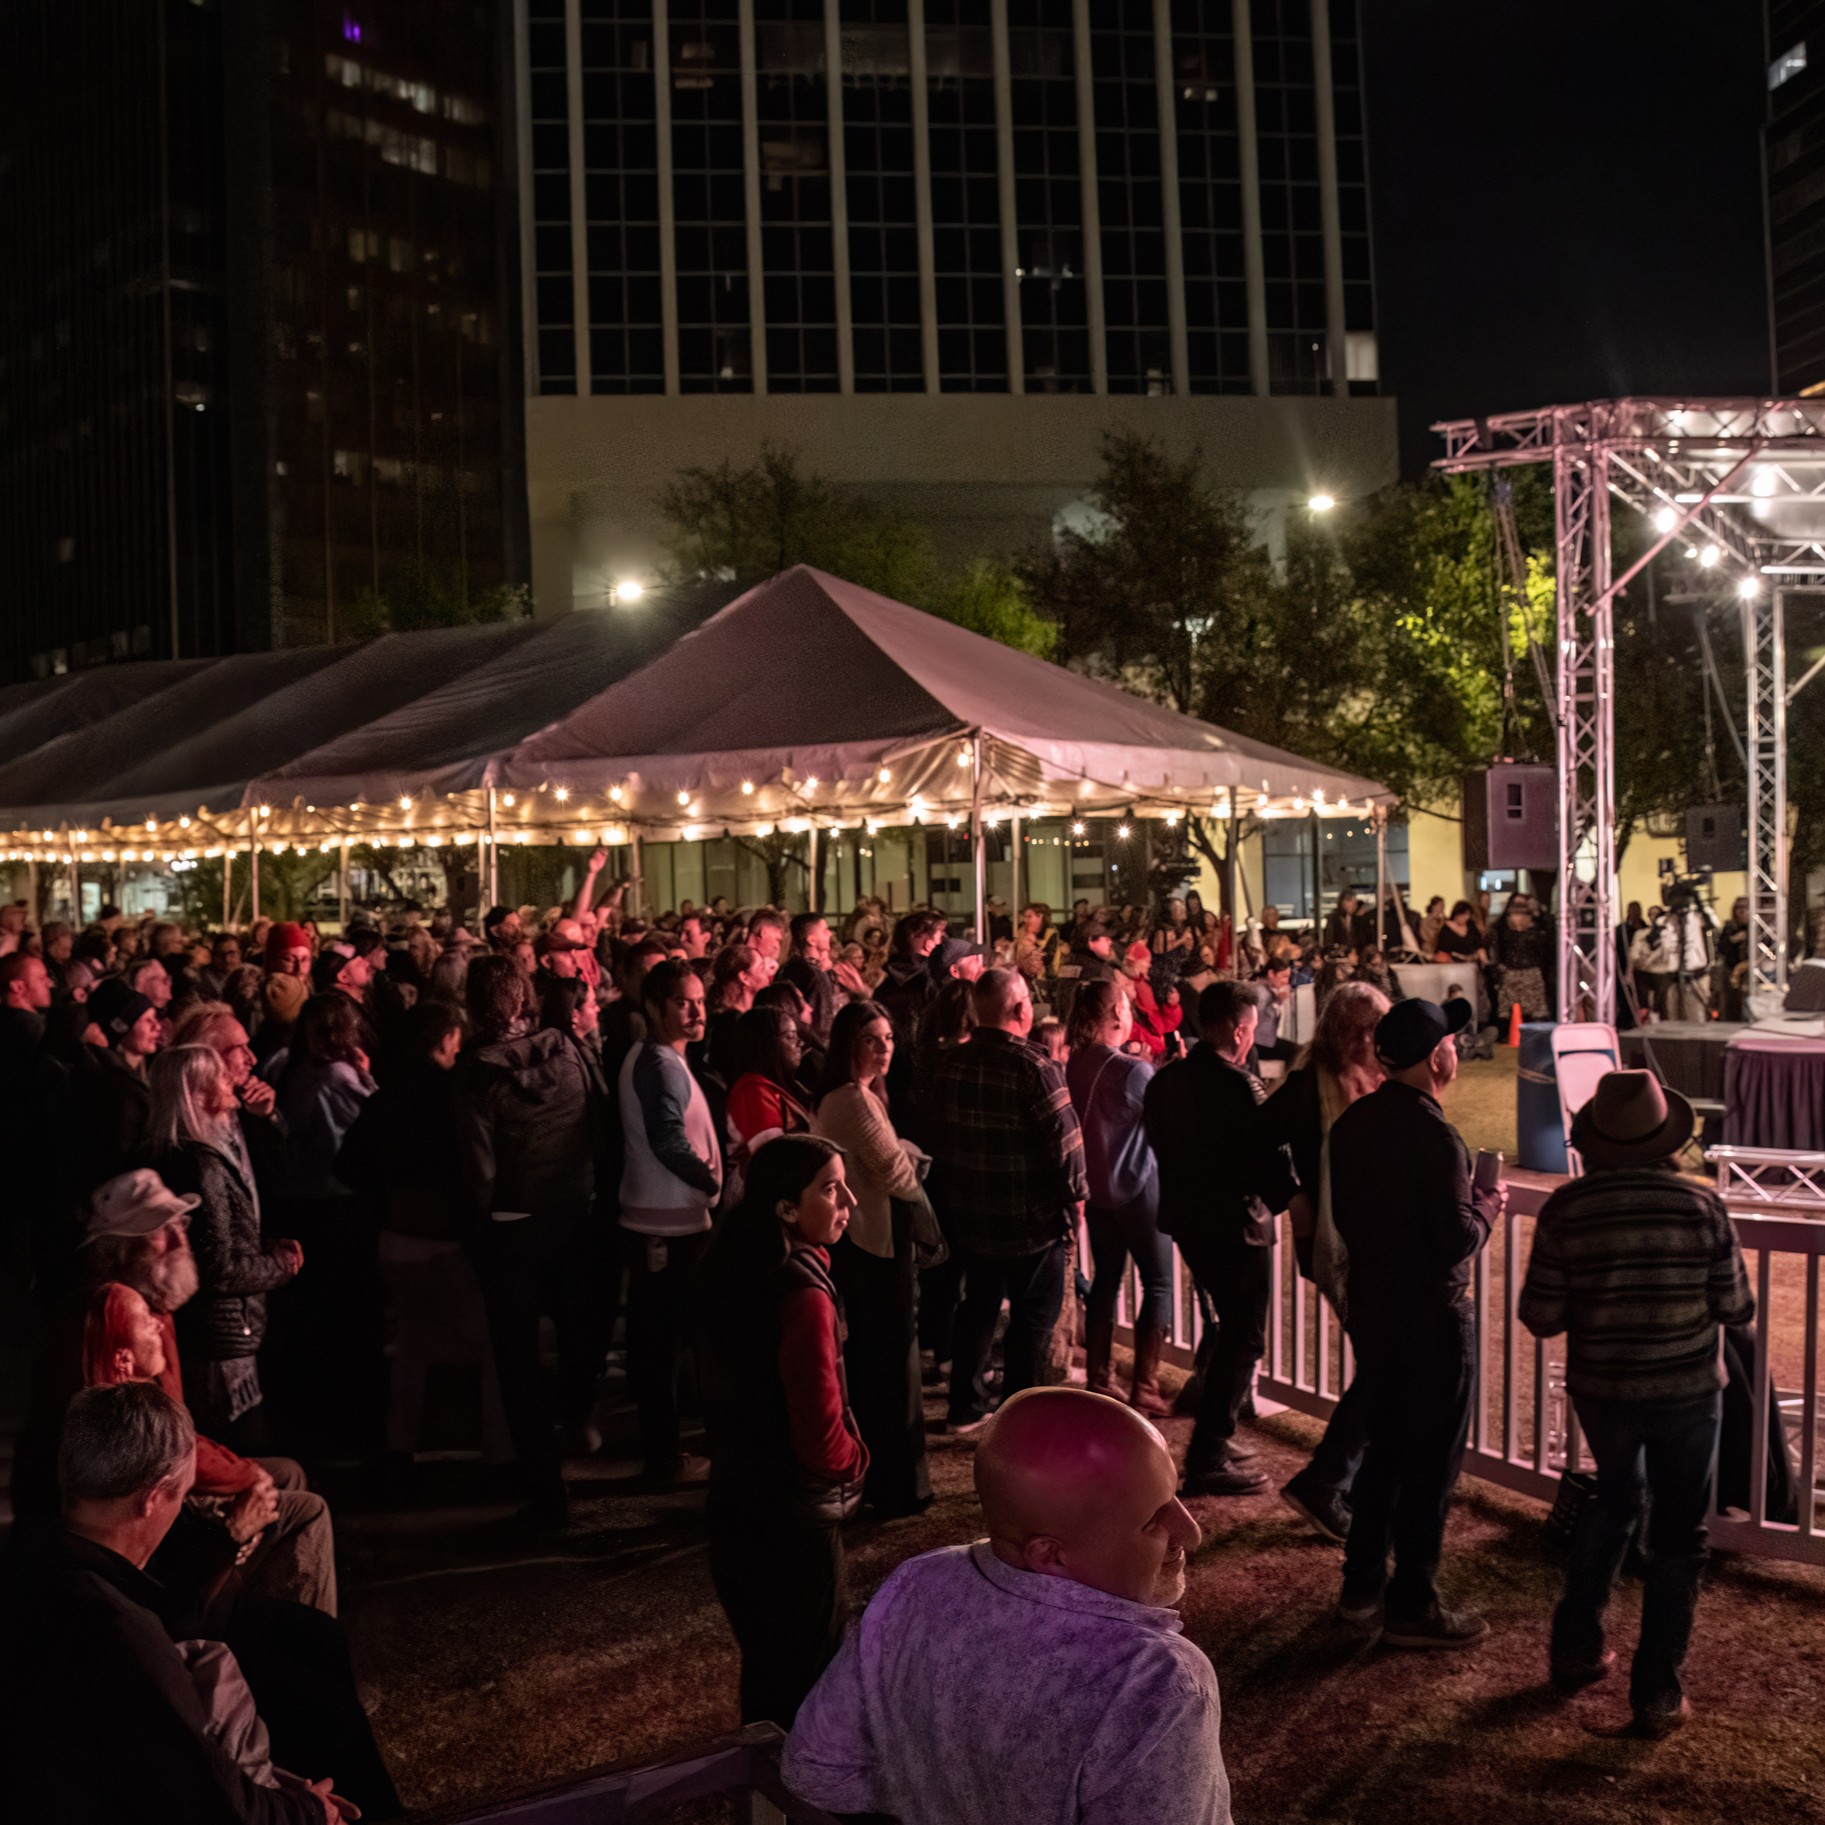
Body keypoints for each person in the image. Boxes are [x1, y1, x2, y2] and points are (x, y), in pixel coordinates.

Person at [782, 1387, 1227, 1825]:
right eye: (1151, 1521)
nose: (1191, 1532)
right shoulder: (1156, 1681)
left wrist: (925, 1790)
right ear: (1049, 1555)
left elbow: (816, 1770)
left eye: (1174, 1497)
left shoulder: (917, 1581)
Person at [0, 1382, 355, 1824]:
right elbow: (213, 1807)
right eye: (183, 1492)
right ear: (154, 1498)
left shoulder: (29, 1567)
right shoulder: (119, 1628)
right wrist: (311, 1811)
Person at [1519, 1071, 1754, 1735]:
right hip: (1687, 1392)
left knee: (1616, 1498)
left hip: (1604, 1391)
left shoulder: (1567, 1208)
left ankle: (1575, 1648)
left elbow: (1539, 1314)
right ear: (1665, 1138)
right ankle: (1656, 1692)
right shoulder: (1700, 1205)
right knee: (1680, 1535)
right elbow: (1736, 1306)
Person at [1328, 995, 1501, 1648]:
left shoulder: (1353, 1124)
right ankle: (1412, 1602)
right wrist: (1487, 1207)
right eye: (1449, 1042)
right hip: (1432, 1316)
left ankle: (1360, 1589)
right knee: (1429, 1465)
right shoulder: (1435, 1137)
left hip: (1373, 1307)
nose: (1455, 1050)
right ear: (1435, 1058)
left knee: (1383, 1451)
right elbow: (1453, 1240)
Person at [697, 1136, 867, 1727]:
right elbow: (818, 1428)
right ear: (786, 1207)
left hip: (737, 1499)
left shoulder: (733, 1268)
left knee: (767, 1671)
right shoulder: (802, 1295)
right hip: (792, 1515)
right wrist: (852, 1461)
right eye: (830, 1188)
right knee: (809, 1682)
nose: (848, 1201)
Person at [454, 954, 601, 1522]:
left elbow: (479, 1170)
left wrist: (477, 1229)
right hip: (574, 1216)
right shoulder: (567, 1050)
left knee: (518, 1363)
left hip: (513, 1228)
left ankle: (545, 1490)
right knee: (577, 1337)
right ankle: (578, 1423)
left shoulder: (475, 1075)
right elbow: (599, 1124)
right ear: (523, 998)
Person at [339, 1000, 512, 1471]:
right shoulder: (456, 1097)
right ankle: (502, 1452)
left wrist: (390, 1194)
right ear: (449, 1038)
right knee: (493, 1344)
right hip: (446, 1243)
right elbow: (478, 1168)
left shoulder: (386, 1099)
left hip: (397, 1240)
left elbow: (348, 1164)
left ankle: (399, 1447)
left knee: (413, 1345)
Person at [1144, 981, 1293, 1498]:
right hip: (1237, 1226)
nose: (1251, 1037)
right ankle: (1208, 1451)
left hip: (1189, 1221)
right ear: (1236, 1030)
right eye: (1249, 1028)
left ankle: (1216, 1432)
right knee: (1244, 1336)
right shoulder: (1239, 1086)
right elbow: (1266, 1163)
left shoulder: (1166, 1081)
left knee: (1229, 1328)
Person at [1253, 982, 1389, 1542]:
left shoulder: (1378, 1077)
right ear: (1347, 1033)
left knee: (1384, 1362)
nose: (1374, 1037)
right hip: (1336, 1245)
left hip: (1374, 1241)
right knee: (1386, 1365)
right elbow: (1252, 1143)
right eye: (1368, 1027)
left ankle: (1348, 1481)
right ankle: (1327, 1481)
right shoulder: (1309, 1087)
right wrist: (1293, 1197)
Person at [924, 969, 1088, 1433]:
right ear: (1020, 1010)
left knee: (977, 1304)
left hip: (969, 1215)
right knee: (1033, 1321)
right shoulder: (1035, 1067)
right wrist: (1075, 1203)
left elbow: (937, 1135)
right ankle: (1020, 1420)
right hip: (1030, 1221)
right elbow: (1067, 1149)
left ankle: (965, 1406)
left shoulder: (950, 1064)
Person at [148, 1049, 303, 1455]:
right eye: (219, 1076)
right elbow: (220, 1266)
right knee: (241, 1452)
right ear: (198, 1091)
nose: (231, 1082)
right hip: (223, 1336)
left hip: (214, 1331)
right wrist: (281, 1265)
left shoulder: (181, 1154)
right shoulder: (203, 1165)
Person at [812, 999, 932, 1517]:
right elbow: (894, 1171)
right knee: (888, 1363)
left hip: (868, 1239)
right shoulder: (851, 1100)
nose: (885, 1049)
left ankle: (889, 1480)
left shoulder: (858, 1096)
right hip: (872, 1243)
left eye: (889, 1039)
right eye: (871, 1039)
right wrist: (911, 1162)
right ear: (848, 1044)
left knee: (880, 1362)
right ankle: (895, 1484)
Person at [618, 958, 722, 1481]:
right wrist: (711, 1184)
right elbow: (668, 1140)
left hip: (666, 1219)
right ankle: (664, 1458)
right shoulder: (660, 1064)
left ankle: (665, 1453)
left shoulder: (662, 1058)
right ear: (656, 1007)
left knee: (662, 1345)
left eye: (700, 1001)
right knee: (663, 1347)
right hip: (667, 1225)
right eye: (684, 1003)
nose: (697, 1012)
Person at [1066, 980, 1170, 1416]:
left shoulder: (1074, 1064)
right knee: (1158, 1282)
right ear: (1114, 1014)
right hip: (1138, 1188)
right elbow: (1162, 1119)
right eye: (1126, 1005)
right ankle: (1145, 1386)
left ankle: (1098, 1377)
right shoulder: (1132, 1071)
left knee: (1107, 1280)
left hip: (1097, 1191)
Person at [724, 1003, 813, 1169]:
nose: (800, 1043)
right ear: (766, 1043)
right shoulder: (753, 1092)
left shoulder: (781, 1086)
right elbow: (772, 1159)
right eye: (790, 1036)